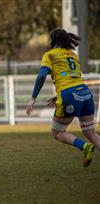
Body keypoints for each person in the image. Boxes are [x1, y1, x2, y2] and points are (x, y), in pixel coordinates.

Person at [26, 28, 100, 167]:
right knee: (91, 132)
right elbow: (72, 78)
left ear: (53, 41)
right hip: (84, 92)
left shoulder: (50, 55)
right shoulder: (73, 54)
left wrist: (33, 98)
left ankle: (84, 147)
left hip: (69, 95)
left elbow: (42, 75)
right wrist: (58, 95)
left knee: (57, 132)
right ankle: (88, 144)